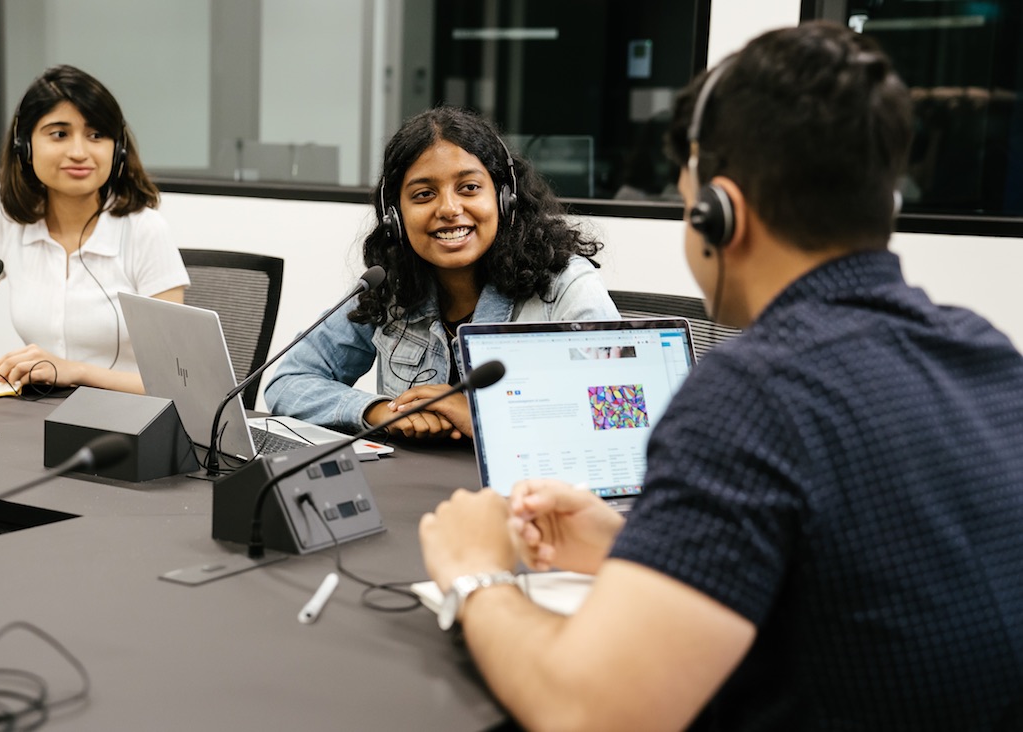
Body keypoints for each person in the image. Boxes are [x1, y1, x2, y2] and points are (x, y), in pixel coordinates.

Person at [419, 21, 1023, 732]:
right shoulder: (985, 352)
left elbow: (586, 713)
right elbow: (867, 579)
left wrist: (476, 574)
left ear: (719, 211)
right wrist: (629, 547)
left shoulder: (752, 393)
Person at [264, 106, 618, 440]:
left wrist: (481, 413)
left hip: (528, 497)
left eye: (469, 188)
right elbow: (290, 381)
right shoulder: (391, 285)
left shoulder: (565, 285)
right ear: (395, 216)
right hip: (411, 492)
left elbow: (623, 414)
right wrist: (380, 412)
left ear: (504, 198)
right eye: (423, 194)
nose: (449, 209)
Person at [0, 65, 188, 394]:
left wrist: (74, 372)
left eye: (96, 135)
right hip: (39, 418)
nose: (79, 152)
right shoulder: (9, 224)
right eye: (59, 134)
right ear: (25, 146)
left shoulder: (145, 231)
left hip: (132, 426)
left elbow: (178, 383)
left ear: (117, 149)